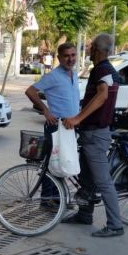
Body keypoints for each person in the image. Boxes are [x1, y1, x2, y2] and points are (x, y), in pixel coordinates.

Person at [63, 33, 123, 238]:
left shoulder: (103, 69)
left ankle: (115, 225)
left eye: (90, 47)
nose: (87, 49)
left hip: (96, 135)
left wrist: (78, 118)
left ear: (97, 49)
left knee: (103, 181)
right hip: (92, 133)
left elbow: (103, 94)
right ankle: (84, 215)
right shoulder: (104, 69)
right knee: (86, 178)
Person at [25, 42, 81, 208]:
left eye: (73, 55)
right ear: (59, 58)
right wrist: (45, 110)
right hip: (56, 125)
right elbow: (30, 91)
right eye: (66, 56)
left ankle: (56, 198)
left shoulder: (74, 74)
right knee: (52, 162)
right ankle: (47, 199)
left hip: (70, 126)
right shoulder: (53, 76)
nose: (70, 59)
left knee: (63, 162)